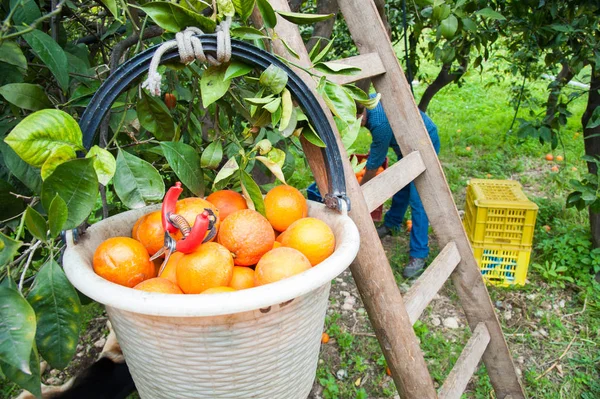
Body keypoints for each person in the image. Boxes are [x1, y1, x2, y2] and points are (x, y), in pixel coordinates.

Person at [359, 97, 440, 278]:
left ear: (361, 113)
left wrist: (359, 190)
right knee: (402, 185)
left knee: (418, 197)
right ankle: (392, 224)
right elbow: (380, 144)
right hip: (406, 144)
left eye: (358, 121)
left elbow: (374, 166)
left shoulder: (378, 122)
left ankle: (419, 254)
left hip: (424, 142)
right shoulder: (367, 101)